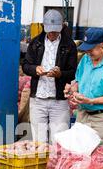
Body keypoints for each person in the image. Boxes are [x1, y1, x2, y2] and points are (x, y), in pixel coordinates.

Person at [22, 9, 77, 144]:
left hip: (59, 101)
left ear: (62, 27)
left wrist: (60, 74)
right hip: (38, 99)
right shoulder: (35, 43)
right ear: (43, 27)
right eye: (49, 30)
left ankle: (55, 165)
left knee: (58, 141)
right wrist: (35, 69)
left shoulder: (69, 45)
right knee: (39, 142)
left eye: (55, 31)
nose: (52, 33)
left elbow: (73, 72)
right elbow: (25, 66)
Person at [64, 28, 103, 146]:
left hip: (102, 119)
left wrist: (91, 101)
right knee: (79, 153)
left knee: (101, 157)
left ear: (102, 46)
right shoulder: (86, 59)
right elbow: (78, 80)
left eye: (91, 49)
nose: (88, 53)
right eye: (86, 50)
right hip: (82, 115)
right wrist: (72, 89)